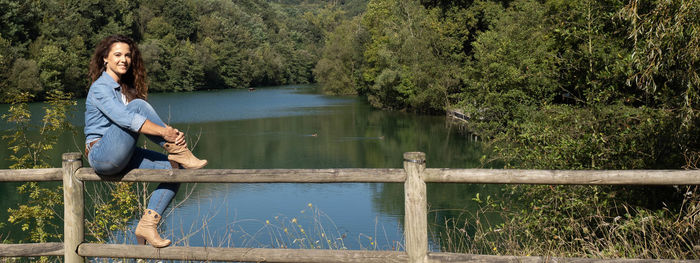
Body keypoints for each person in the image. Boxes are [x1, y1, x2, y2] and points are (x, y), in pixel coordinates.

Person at [84, 35, 207, 248]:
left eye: (127, 55)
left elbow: (133, 123)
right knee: (138, 106)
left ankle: (148, 224)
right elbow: (126, 119)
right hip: (101, 155)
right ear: (105, 58)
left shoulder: (123, 89)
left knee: (174, 169)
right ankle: (177, 149)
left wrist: (168, 132)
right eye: (118, 55)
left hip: (125, 155)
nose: (124, 60)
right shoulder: (100, 88)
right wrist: (166, 133)